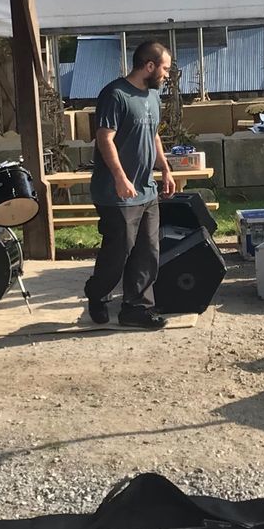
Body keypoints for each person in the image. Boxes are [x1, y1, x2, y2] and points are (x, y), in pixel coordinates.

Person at [84, 40, 176, 329]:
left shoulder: (153, 96)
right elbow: (104, 138)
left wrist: (165, 169)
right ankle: (97, 293)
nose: (167, 75)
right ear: (149, 66)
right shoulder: (115, 94)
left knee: (148, 252)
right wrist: (120, 177)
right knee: (118, 253)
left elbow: (153, 134)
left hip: (146, 190)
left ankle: (136, 309)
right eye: (165, 69)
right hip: (117, 193)